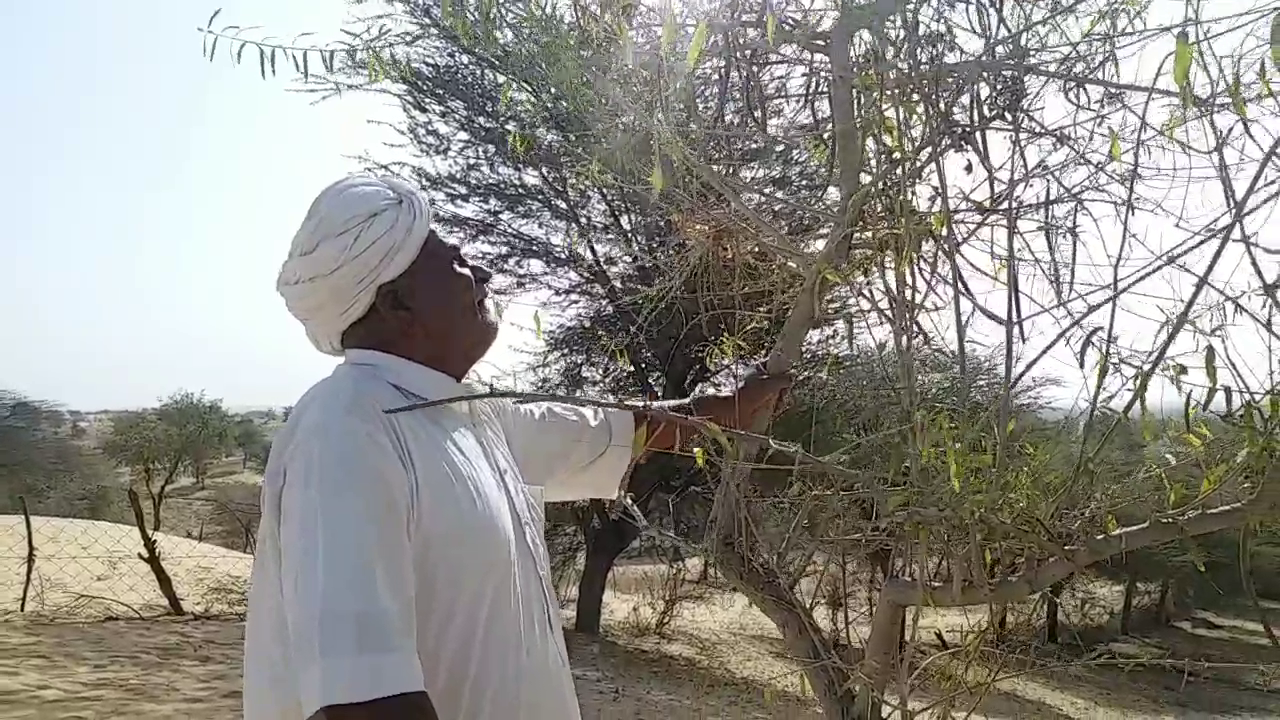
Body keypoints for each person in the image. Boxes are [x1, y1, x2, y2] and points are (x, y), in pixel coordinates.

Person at [243, 175, 791, 720]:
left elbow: (618, 431)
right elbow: (364, 700)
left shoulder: (470, 415)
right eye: (456, 263)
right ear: (399, 305)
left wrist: (736, 404)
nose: (481, 272)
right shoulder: (345, 432)